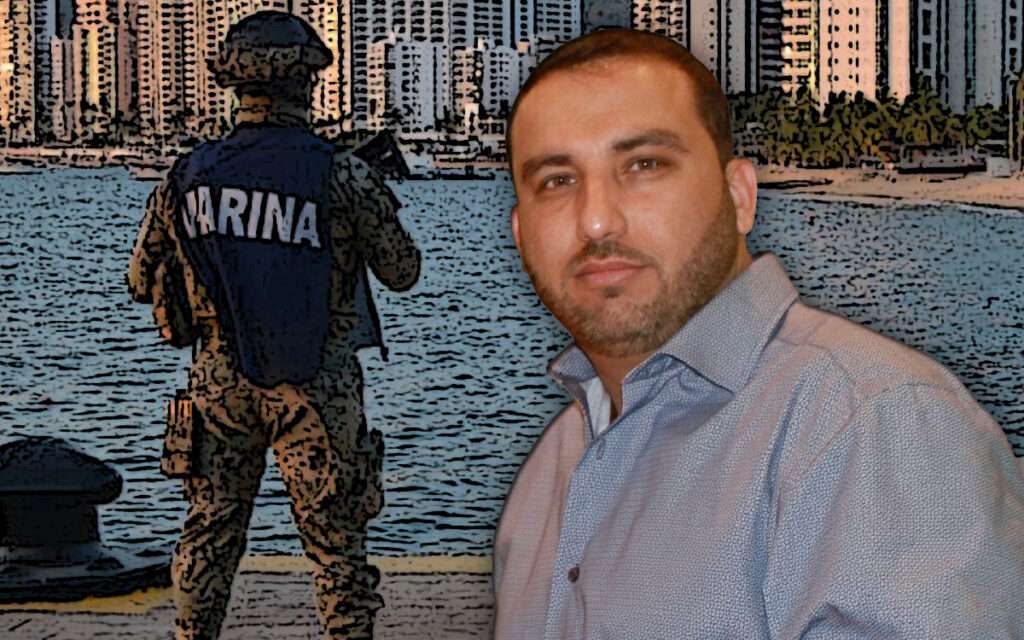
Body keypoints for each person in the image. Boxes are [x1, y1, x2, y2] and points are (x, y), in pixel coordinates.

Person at [493, 28, 1024, 639]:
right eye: (557, 180)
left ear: (739, 196)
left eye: (644, 165)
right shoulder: (552, 471)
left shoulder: (873, 427)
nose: (595, 220)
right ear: (521, 233)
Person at [127, 11, 420, 640]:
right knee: (336, 545)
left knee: (209, 531)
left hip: (218, 380)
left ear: (233, 84)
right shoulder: (341, 173)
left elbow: (138, 278)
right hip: (317, 386)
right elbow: (402, 271)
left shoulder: (186, 176)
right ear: (308, 83)